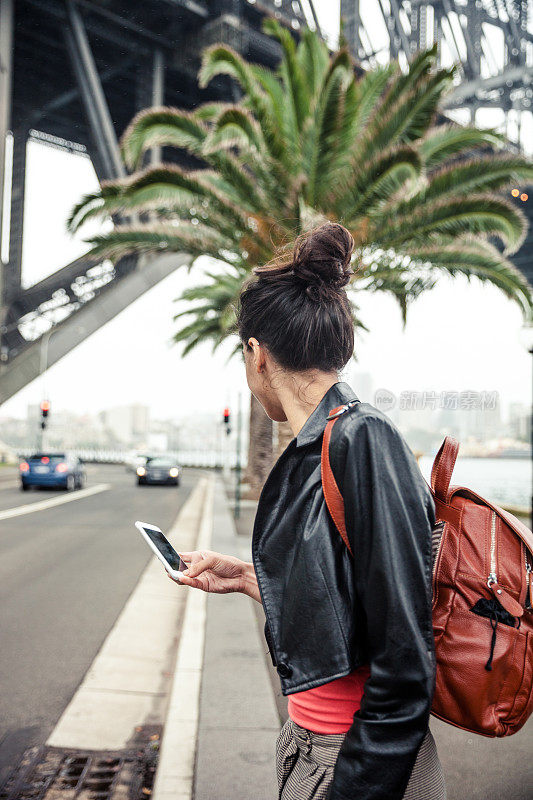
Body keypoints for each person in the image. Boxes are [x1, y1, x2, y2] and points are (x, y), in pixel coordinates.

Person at [170, 222, 446, 800]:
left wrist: (354, 785)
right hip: (311, 742)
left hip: (357, 756)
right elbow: (351, 596)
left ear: (257, 355)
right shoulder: (318, 447)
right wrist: (250, 579)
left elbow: (405, 656)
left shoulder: (362, 440)